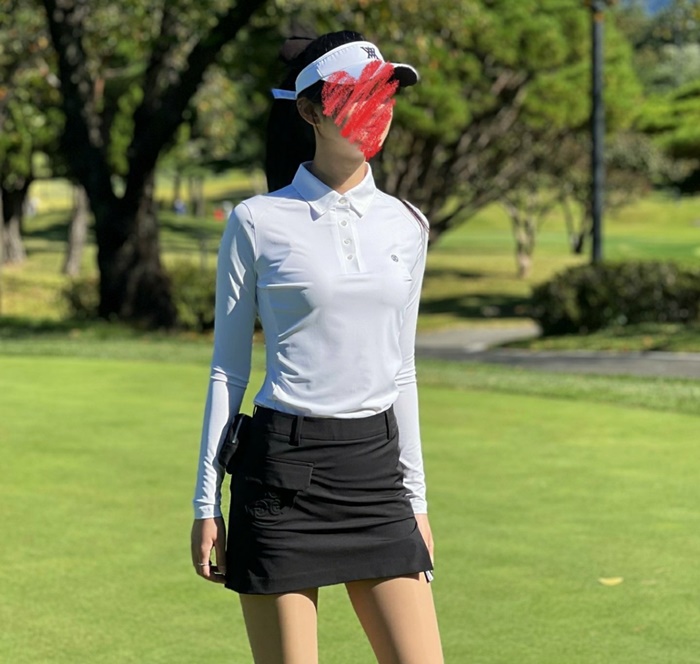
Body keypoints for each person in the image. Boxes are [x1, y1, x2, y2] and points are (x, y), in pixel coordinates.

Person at [191, 30, 444, 664]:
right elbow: (227, 370)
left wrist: (416, 501)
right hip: (282, 478)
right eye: (357, 96)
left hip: (376, 477)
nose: (376, 110)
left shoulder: (407, 224)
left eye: (385, 95)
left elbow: (402, 370)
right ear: (309, 111)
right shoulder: (256, 221)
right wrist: (205, 502)